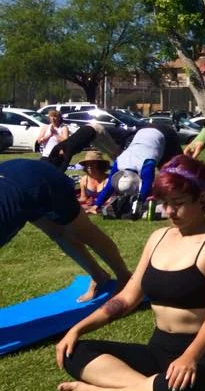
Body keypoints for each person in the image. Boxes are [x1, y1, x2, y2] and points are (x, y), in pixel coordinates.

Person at [57, 155, 205, 391]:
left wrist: (189, 357)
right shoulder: (158, 237)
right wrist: (78, 328)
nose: (170, 212)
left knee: (175, 389)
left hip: (204, 353)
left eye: (178, 203)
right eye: (165, 203)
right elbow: (127, 298)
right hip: (158, 351)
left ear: (201, 198)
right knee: (75, 352)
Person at [0, 158, 130, 302]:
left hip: (37, 178)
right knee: (58, 234)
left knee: (85, 232)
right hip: (16, 185)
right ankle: (99, 276)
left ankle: (125, 277)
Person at [90, 127, 169, 215]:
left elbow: (146, 186)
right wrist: (96, 206)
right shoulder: (119, 162)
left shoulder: (147, 163)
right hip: (140, 133)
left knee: (168, 168)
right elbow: (109, 186)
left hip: (161, 133)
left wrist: (138, 205)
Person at [45, 122, 121, 172]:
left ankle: (124, 164)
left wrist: (56, 176)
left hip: (96, 130)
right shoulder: (58, 147)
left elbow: (65, 164)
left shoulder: (69, 149)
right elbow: (50, 158)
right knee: (107, 152)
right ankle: (119, 166)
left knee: (114, 151)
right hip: (91, 137)